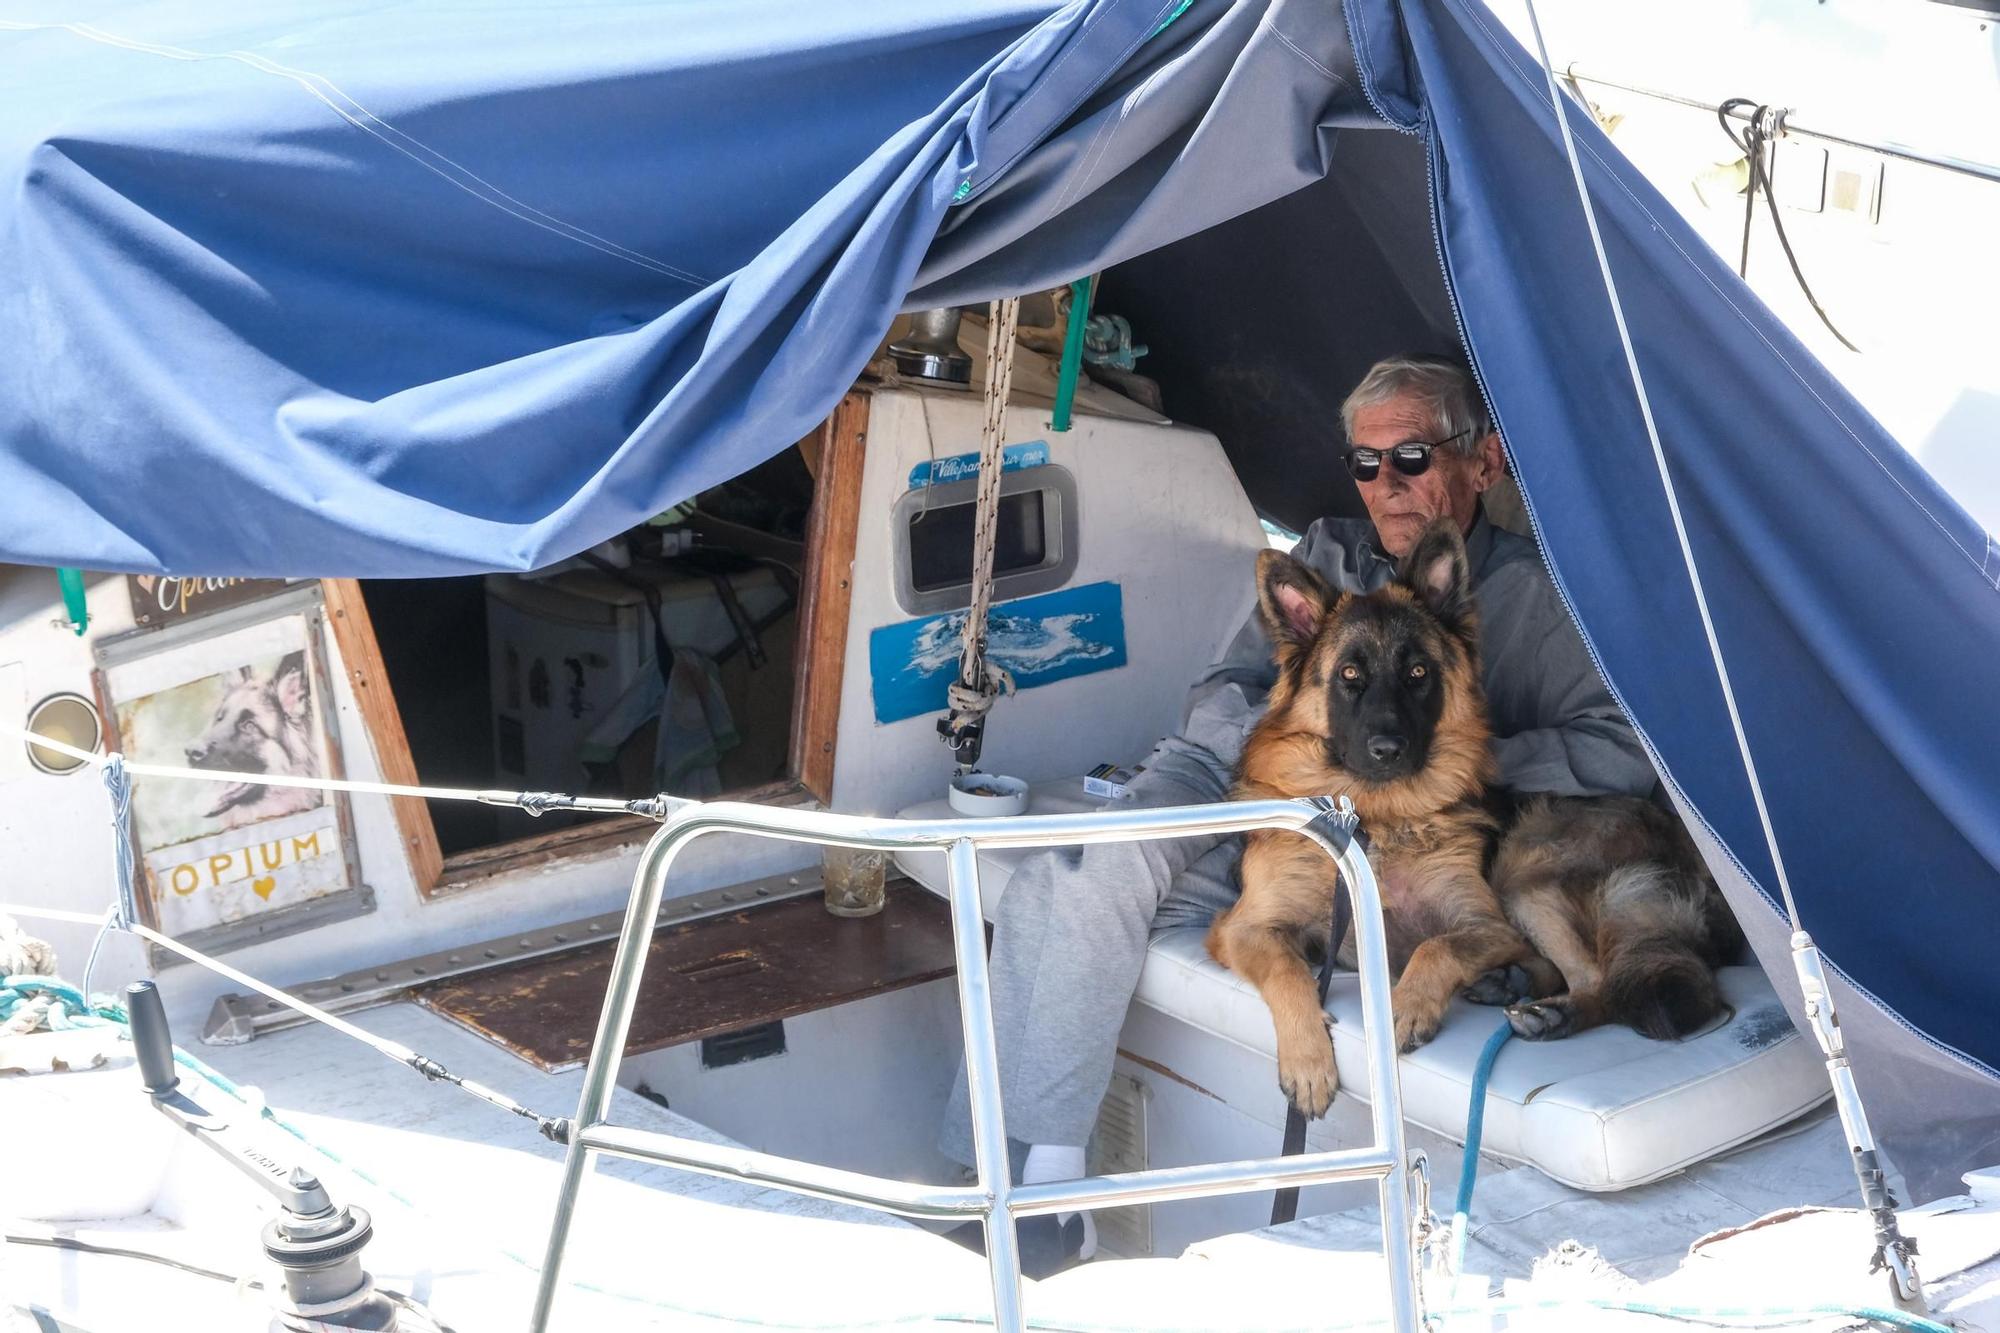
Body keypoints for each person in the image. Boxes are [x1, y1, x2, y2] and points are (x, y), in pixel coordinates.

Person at [940, 353, 1657, 1275]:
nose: (1386, 487)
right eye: (1366, 464)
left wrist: (1454, 756)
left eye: (1410, 456)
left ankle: (1043, 1194)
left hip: (1397, 814)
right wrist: (1286, 739)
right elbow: (1227, 682)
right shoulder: (1322, 551)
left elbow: (1620, 745)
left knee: (1183, 904)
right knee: (1068, 876)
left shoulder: (1529, 596)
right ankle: (1023, 1178)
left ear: (1484, 460)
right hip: (1239, 771)